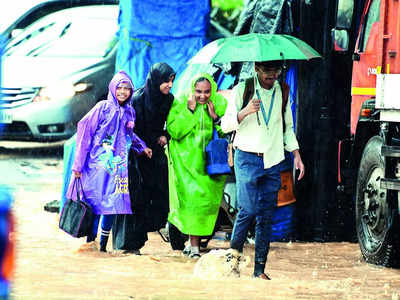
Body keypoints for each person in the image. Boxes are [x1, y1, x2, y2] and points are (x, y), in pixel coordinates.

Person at [220, 60, 305, 279]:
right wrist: (245, 111)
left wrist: (296, 155)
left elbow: (287, 127)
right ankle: (232, 264)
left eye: (276, 71)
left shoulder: (283, 90)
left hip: (273, 159)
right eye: (267, 71)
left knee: (266, 216)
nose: (272, 76)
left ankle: (259, 271)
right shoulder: (243, 88)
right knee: (247, 210)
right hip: (247, 158)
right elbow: (225, 125)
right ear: (257, 69)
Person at [66, 70, 152, 252]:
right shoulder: (102, 108)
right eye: (119, 88)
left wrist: (141, 147)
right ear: (112, 88)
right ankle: (91, 242)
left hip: (118, 167)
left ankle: (103, 247)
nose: (123, 92)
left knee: (113, 205)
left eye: (127, 88)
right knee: (96, 204)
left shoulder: (129, 111)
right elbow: (84, 131)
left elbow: (129, 135)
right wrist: (78, 165)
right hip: (97, 165)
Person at [166, 73, 227, 258]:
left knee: (205, 205)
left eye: (207, 92)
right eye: (198, 92)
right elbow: (174, 131)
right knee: (192, 204)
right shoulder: (181, 102)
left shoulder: (219, 103)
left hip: (211, 165)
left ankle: (193, 244)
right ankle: (194, 248)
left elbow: (226, 131)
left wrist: (215, 117)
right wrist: (190, 111)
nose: (202, 96)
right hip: (187, 164)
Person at [131, 62, 176, 234]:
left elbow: (172, 123)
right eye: (166, 81)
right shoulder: (138, 98)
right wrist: (142, 146)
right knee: (141, 191)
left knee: (161, 187)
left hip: (156, 150)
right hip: (138, 151)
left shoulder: (169, 99)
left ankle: (157, 226)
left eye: (172, 81)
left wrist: (166, 135)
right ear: (156, 80)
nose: (170, 85)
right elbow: (132, 129)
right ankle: (139, 231)